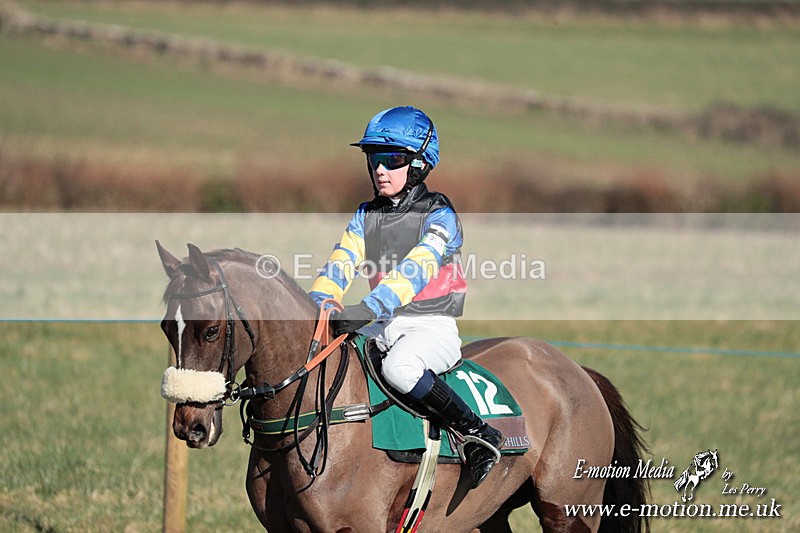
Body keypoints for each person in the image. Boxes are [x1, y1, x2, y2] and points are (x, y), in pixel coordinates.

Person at [309, 106, 503, 488]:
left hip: (430, 327)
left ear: (417, 165)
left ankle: (478, 435)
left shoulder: (440, 214)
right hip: (381, 323)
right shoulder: (366, 214)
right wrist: (319, 303)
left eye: (392, 159)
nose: (380, 169)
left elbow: (416, 268)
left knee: (400, 369)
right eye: (374, 159)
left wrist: (368, 307)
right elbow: (342, 262)